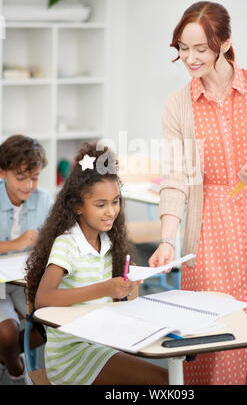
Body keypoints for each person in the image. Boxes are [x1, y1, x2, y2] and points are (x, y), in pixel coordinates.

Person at [149, 1, 247, 385]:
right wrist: (167, 239)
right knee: (221, 341)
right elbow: (175, 178)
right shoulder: (177, 105)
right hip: (210, 236)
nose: (190, 57)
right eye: (183, 48)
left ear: (224, 43)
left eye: (200, 48)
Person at [26, 142, 168, 385]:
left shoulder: (110, 243)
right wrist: (105, 288)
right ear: (77, 206)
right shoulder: (67, 244)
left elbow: (116, 303)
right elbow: (43, 299)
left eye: (115, 202)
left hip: (101, 342)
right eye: (100, 205)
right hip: (72, 355)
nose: (111, 211)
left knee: (169, 377)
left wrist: (127, 288)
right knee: (166, 381)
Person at [0, 135, 53, 383]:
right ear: (2, 173)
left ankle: (6, 356)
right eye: (21, 178)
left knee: (49, 323)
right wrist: (16, 244)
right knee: (7, 333)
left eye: (34, 177)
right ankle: (15, 369)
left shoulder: (43, 199)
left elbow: (57, 238)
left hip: (25, 281)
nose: (28, 185)